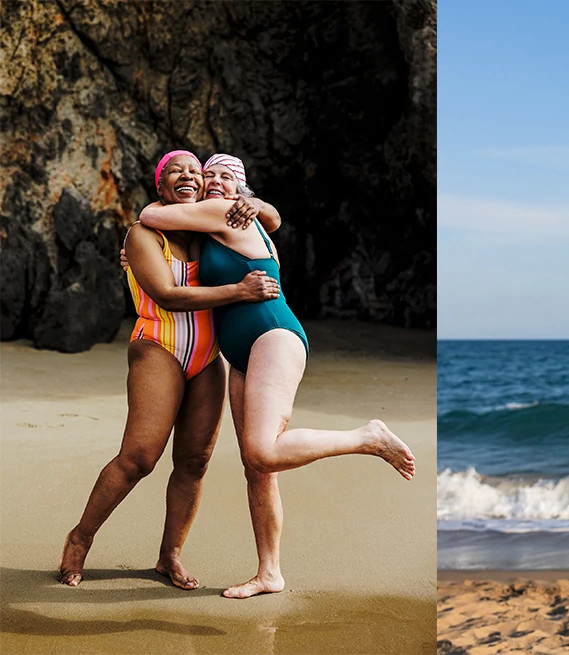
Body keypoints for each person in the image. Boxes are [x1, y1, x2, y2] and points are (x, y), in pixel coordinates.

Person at [138, 153, 416, 599]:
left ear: (240, 189)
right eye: (208, 175)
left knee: (263, 452)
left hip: (273, 335)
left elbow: (152, 213)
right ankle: (270, 572)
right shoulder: (221, 224)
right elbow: (185, 249)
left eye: (224, 177)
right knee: (257, 468)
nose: (212, 182)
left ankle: (367, 437)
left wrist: (250, 202)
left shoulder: (224, 212)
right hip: (244, 351)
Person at [59, 151, 282, 589]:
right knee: (140, 457)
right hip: (157, 345)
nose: (187, 176)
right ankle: (79, 540)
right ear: (161, 186)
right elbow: (166, 294)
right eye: (175, 170)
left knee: (195, 462)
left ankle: (169, 556)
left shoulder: (208, 234)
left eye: (195, 172)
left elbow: (270, 224)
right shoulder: (141, 234)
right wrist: (238, 290)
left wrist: (258, 204)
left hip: (207, 358)